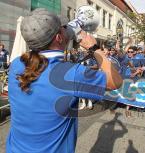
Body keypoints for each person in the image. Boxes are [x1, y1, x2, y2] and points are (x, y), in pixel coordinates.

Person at [6, 8, 122, 153]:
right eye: (63, 28)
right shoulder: (71, 73)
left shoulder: (17, 63)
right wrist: (94, 48)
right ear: (59, 38)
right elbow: (116, 81)